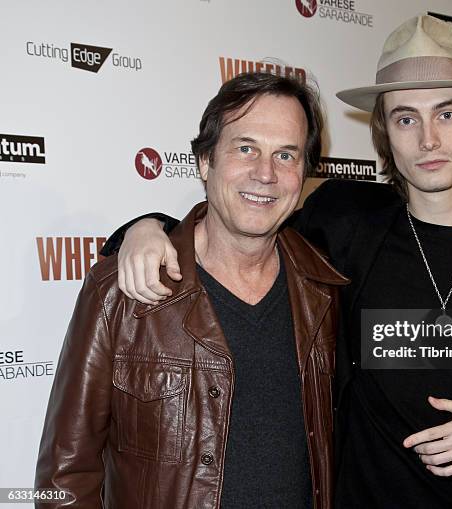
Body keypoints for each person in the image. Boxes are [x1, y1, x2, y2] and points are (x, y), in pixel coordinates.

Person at [102, 15, 452, 508]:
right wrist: (149, 226)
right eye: (406, 118)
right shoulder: (345, 223)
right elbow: (239, 229)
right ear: (383, 130)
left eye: (446, 114)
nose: (427, 139)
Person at [35, 72, 348, 509]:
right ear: (205, 162)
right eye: (246, 148)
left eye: (286, 155)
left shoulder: (325, 291)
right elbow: (65, 476)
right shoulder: (121, 292)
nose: (265, 173)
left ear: (303, 175)